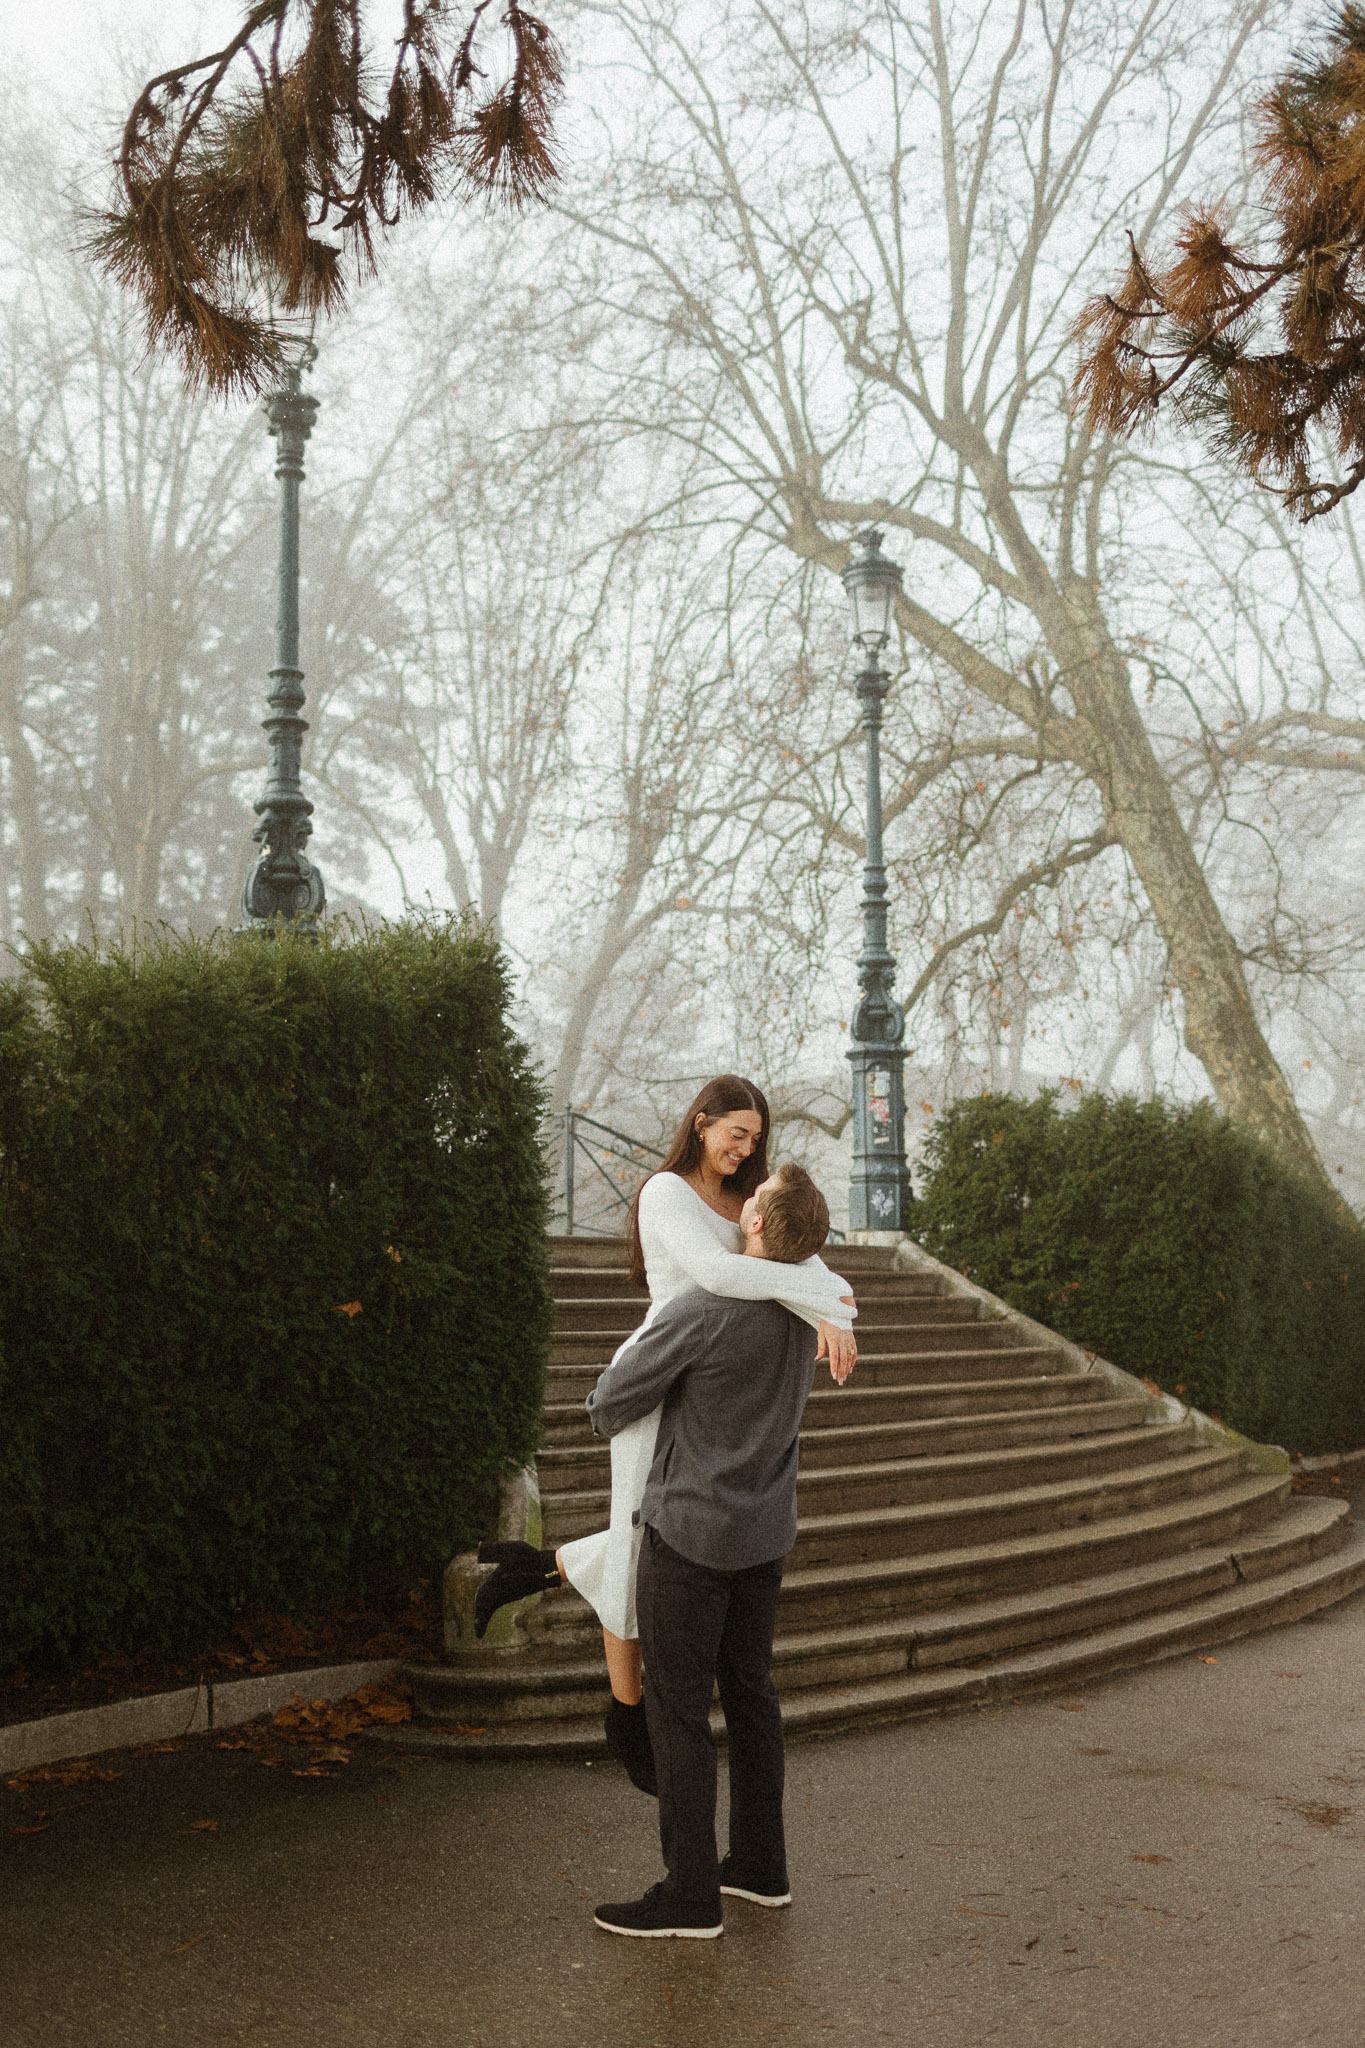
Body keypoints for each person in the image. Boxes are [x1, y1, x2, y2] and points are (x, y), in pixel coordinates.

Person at [472, 1076, 856, 1794]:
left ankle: (540, 1566)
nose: (743, 1150)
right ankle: (625, 1714)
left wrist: (834, 1312)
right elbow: (716, 1272)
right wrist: (818, 1301)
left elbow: (803, 1253)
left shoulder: (748, 1201)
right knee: (635, 1546)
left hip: (709, 1385)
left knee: (649, 1540)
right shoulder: (664, 1193)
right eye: (733, 1134)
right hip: (656, 1377)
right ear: (701, 1123)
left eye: (754, 1139)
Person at [589, 1161, 835, 1937]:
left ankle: (689, 1895)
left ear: (757, 1225)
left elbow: (607, 1405)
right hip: (764, 1536)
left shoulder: (704, 1311)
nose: (738, 1206)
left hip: (690, 1537)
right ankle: (760, 1868)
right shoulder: (801, 1312)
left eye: (751, 1202)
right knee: (753, 1697)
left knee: (678, 1712)